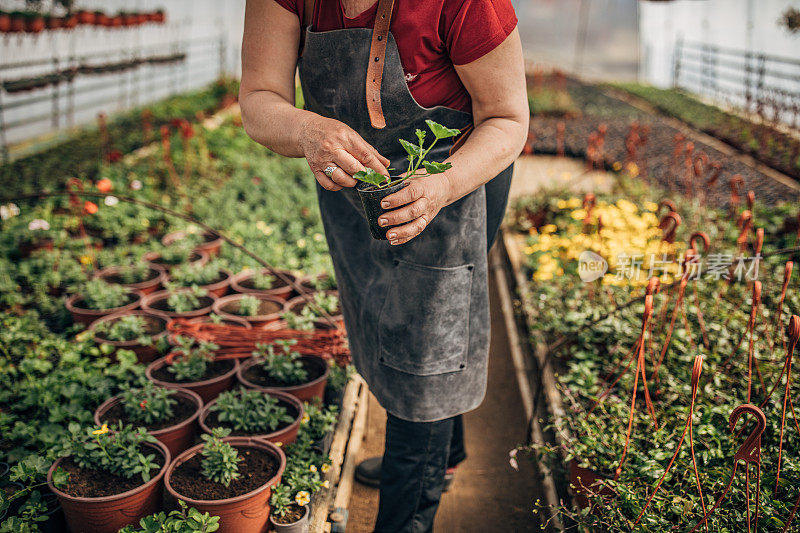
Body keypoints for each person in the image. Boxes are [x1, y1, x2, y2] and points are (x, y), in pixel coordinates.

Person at [240, 0, 528, 530]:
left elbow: (507, 118)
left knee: (428, 349)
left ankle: (406, 510)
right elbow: (259, 99)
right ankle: (438, 459)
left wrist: (442, 185)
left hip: (456, 182)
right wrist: (307, 129)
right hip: (354, 191)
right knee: (381, 315)